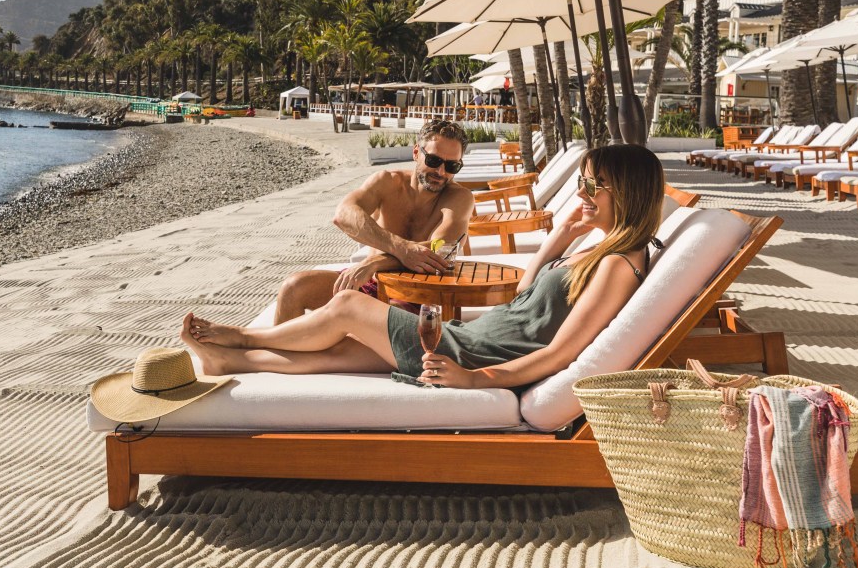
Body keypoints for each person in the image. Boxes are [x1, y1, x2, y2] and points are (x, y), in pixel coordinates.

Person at [182, 144, 664, 390]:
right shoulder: (603, 251)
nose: (581, 195)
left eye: (591, 186)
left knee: (348, 305)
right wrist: (559, 238)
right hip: (478, 338)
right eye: (580, 183)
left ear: (626, 193)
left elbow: (561, 354)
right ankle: (230, 360)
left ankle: (245, 337)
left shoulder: (621, 264)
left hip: (475, 353)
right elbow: (525, 301)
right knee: (337, 355)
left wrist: (476, 379)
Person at [269, 119, 474, 323]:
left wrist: (376, 262)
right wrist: (400, 248)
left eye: (451, 165)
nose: (441, 172)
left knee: (384, 315)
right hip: (371, 282)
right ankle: (274, 353)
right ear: (415, 153)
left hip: (418, 296)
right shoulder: (387, 182)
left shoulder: (459, 198)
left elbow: (442, 251)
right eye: (433, 161)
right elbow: (344, 215)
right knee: (293, 287)